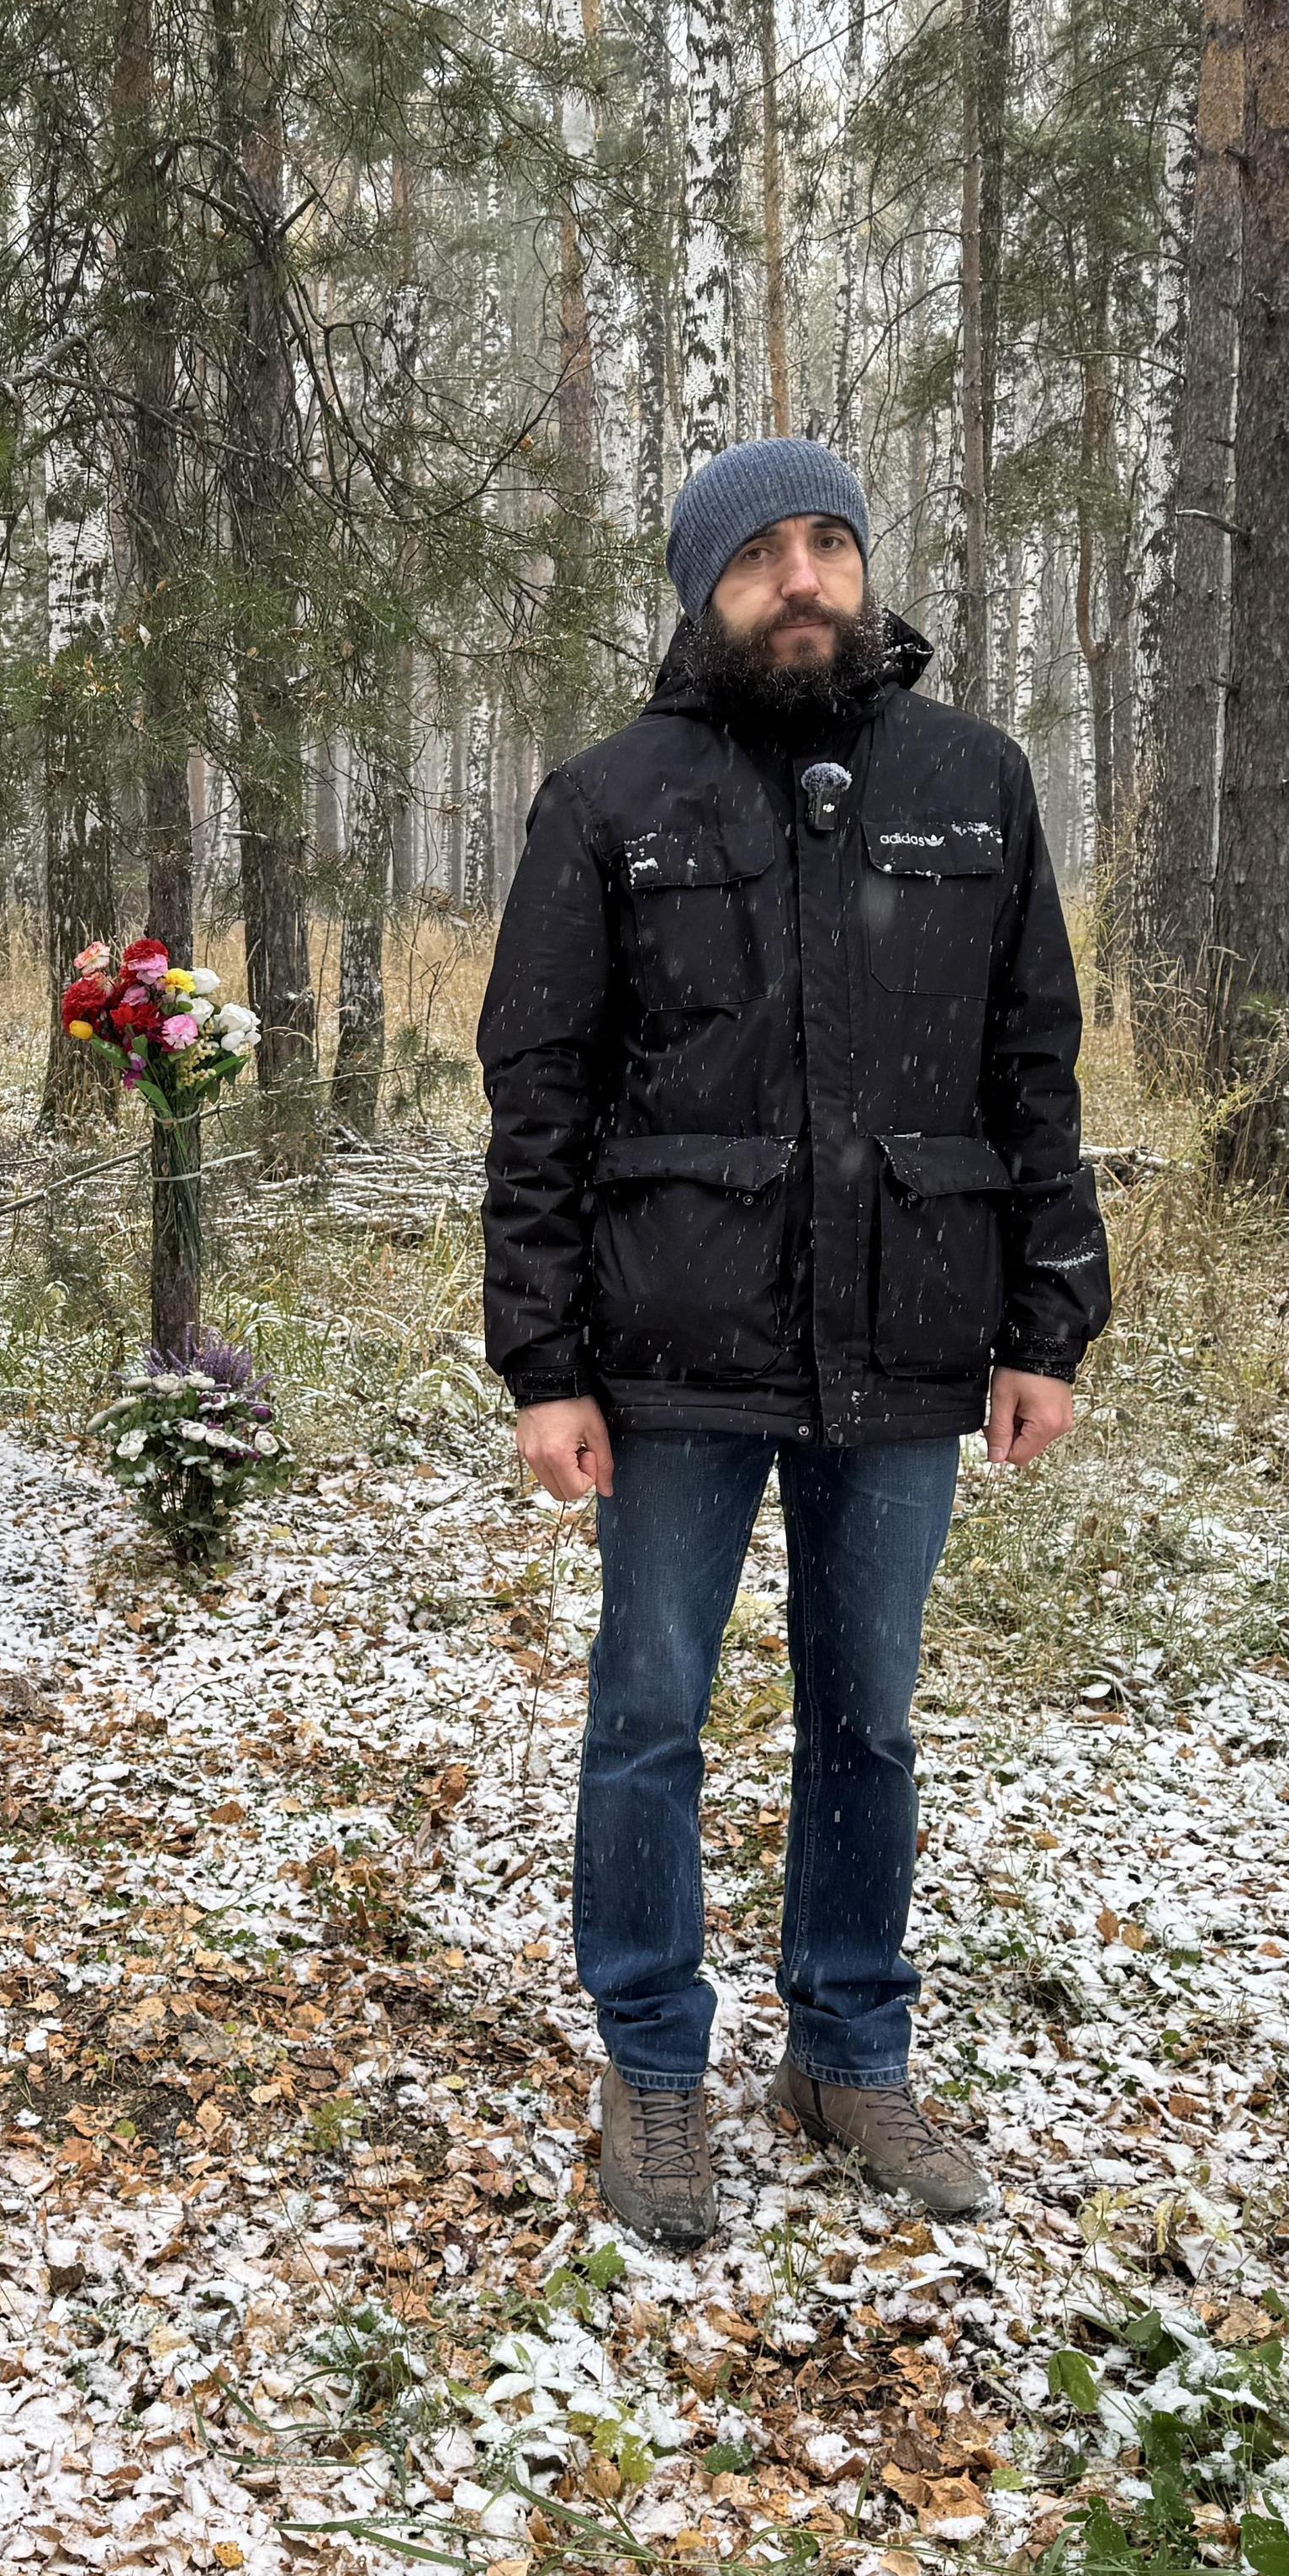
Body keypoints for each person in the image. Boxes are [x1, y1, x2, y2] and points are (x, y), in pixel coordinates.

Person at [477, 436, 1107, 2247]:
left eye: (832, 542)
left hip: (908, 1345)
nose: (808, 578)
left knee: (867, 1723)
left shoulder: (972, 783)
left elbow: (1031, 1062)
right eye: (765, 555)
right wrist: (545, 1361)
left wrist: (1045, 1319)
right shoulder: (611, 800)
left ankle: (844, 2049)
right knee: (651, 1713)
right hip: (671, 1353)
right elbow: (542, 1093)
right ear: (703, 590)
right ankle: (654, 2068)